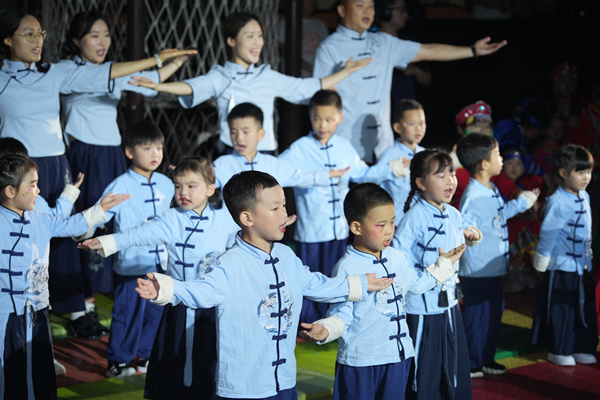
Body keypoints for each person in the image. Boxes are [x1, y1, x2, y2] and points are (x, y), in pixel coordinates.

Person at [0, 9, 195, 336]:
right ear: (7, 39)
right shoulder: (11, 77)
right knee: (25, 235)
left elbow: (122, 76)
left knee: (69, 229)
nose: (37, 40)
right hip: (22, 164)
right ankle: (24, 312)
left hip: (58, 162)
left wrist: (163, 60)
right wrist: (157, 59)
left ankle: (74, 307)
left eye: (40, 33)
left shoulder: (54, 72)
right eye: (28, 34)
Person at [134, 170, 394, 399]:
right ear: (247, 218)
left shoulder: (286, 255)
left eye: (284, 205)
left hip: (285, 380)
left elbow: (317, 285)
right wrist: (166, 288)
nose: (284, 214)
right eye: (275, 208)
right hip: (244, 388)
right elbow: (201, 291)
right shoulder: (229, 263)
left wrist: (359, 284)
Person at [59, 10, 191, 333]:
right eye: (94, 35)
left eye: (106, 35)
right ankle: (81, 307)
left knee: (114, 223)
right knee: (86, 224)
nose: (102, 41)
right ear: (76, 40)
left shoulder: (113, 71)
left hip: (112, 157)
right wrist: (158, 58)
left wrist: (178, 61)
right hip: (84, 156)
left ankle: (100, 299)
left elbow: (150, 83)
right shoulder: (67, 71)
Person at [78, 156, 239, 399]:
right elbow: (137, 234)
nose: (183, 192)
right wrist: (106, 241)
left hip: (211, 306)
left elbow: (241, 245)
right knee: (176, 361)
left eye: (191, 186)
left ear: (210, 189)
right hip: (178, 303)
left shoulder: (224, 217)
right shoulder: (171, 218)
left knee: (209, 361)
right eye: (178, 186)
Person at [302, 182, 465, 400]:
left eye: (392, 222)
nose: (389, 230)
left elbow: (416, 285)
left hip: (398, 357)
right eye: (380, 225)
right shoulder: (347, 266)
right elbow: (342, 312)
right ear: (356, 227)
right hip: (361, 362)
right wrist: (327, 328)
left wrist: (443, 264)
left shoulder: (396, 257)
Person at [131, 11, 370, 154]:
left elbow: (306, 87)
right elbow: (192, 86)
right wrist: (157, 86)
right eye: (249, 36)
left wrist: (345, 72)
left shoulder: (267, 76)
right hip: (231, 152)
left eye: (260, 36)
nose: (257, 43)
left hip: (265, 152)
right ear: (231, 41)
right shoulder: (221, 76)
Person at [0, 153, 128, 400]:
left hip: (35, 311)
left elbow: (71, 225)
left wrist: (99, 209)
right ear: (9, 191)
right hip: (4, 313)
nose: (38, 191)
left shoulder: (41, 219)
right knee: (5, 367)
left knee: (35, 366)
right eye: (32, 185)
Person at [313, 0, 507, 162]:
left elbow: (428, 51)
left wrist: (472, 50)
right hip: (345, 141)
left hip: (382, 144)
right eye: (360, 5)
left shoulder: (383, 42)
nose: (367, 11)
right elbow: (320, 96)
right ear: (342, 10)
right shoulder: (329, 47)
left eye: (370, 6)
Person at [278, 90, 406, 323]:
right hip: (312, 229)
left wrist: (392, 168)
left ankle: (336, 320)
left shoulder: (344, 147)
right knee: (310, 277)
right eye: (317, 118)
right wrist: (317, 177)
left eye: (329, 119)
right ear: (310, 116)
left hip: (339, 228)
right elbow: (278, 173)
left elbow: (363, 174)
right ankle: (307, 323)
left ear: (340, 118)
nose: (322, 125)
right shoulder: (300, 148)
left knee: (339, 277)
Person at [79, 121, 173, 378]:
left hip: (162, 264)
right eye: (147, 148)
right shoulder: (119, 184)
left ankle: (146, 355)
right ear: (130, 152)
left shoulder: (167, 183)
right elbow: (98, 215)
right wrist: (85, 231)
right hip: (131, 265)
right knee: (127, 313)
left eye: (159, 148)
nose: (155, 154)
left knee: (156, 312)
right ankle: (117, 360)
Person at [393, 149, 478, 399]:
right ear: (421, 183)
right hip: (422, 308)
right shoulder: (413, 218)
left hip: (449, 303)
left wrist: (469, 235)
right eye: (441, 176)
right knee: (424, 368)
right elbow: (399, 262)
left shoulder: (454, 214)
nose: (450, 181)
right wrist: (424, 280)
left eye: (452, 174)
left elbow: (456, 241)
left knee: (453, 362)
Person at [456, 133, 539, 377]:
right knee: (477, 315)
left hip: (492, 268)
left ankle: (486, 358)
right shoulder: (474, 194)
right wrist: (469, 232)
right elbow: (465, 224)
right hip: (478, 269)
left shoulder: (489, 188)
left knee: (493, 312)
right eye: (498, 155)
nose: (501, 160)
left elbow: (499, 215)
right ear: (484, 164)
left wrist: (524, 202)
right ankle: (472, 362)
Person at [532, 145, 597, 366]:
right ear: (562, 173)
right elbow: (548, 235)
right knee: (563, 310)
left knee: (583, 307)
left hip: (582, 265)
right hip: (562, 266)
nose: (586, 177)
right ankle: (560, 349)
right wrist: (541, 263)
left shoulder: (584, 195)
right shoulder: (557, 200)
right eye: (580, 172)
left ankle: (581, 346)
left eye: (588, 172)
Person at [214, 101, 348, 189]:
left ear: (261, 134)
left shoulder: (272, 165)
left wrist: (328, 175)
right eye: (233, 132)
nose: (239, 138)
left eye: (246, 132)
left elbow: (298, 177)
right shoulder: (221, 165)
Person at [491, 146, 543, 292]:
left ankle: (526, 272)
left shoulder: (523, 187)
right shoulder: (495, 186)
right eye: (509, 163)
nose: (514, 168)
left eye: (519, 164)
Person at [371, 99, 426, 223]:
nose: (418, 128)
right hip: (398, 221)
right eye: (412, 124)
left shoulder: (424, 153)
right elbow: (372, 179)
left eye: (422, 123)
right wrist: (392, 169)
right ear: (397, 127)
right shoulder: (390, 155)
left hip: (421, 220)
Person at [375, 0, 431, 104]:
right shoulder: (371, 43)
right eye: (401, 10)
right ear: (386, 12)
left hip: (405, 107)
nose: (406, 14)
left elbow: (427, 80)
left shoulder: (409, 43)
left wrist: (415, 70)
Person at [450, 100, 493, 208]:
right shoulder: (453, 159)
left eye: (487, 126)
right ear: (461, 129)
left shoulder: (494, 154)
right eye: (477, 125)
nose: (483, 130)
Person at [278, 0, 329, 78]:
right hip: (295, 78)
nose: (312, 2)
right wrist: (310, 68)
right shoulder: (285, 23)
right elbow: (285, 51)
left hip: (317, 77)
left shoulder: (321, 25)